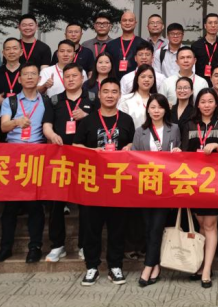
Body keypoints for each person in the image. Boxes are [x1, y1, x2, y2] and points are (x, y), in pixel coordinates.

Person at [73, 78, 135, 286]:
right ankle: (91, 266)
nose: (110, 95)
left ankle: (115, 266)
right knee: (91, 227)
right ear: (99, 95)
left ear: (119, 95)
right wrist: (92, 151)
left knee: (117, 227)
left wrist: (130, 146)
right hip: (93, 183)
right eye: (106, 91)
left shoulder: (126, 120)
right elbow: (76, 147)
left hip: (118, 183)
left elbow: (133, 144)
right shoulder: (89, 120)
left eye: (114, 91)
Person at [0, 63, 49, 264]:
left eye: (33, 74)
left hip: (36, 155)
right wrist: (17, 122)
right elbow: (3, 126)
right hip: (14, 155)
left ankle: (35, 247)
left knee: (35, 205)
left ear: (39, 78)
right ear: (19, 79)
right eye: (25, 74)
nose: (29, 77)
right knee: (10, 206)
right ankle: (5, 247)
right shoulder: (11, 101)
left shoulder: (46, 101)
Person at [43, 62, 97, 263]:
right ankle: (57, 245)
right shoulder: (54, 100)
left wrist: (87, 116)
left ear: (82, 78)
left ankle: (84, 245)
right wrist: (52, 135)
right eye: (67, 77)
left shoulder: (92, 99)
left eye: (75, 76)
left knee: (85, 204)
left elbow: (101, 123)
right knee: (56, 202)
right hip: (60, 157)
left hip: (85, 159)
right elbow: (46, 125)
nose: (71, 79)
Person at [181, 89, 218, 287]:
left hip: (215, 183)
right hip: (194, 182)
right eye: (203, 101)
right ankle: (201, 263)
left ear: (216, 104)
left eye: (210, 101)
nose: (207, 105)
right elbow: (184, 151)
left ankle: (207, 270)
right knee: (201, 224)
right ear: (197, 104)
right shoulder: (189, 125)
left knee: (210, 225)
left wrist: (217, 147)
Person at [132, 94, 181, 287]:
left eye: (160, 107)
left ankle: (148, 266)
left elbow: (180, 153)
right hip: (146, 185)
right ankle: (156, 265)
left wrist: (178, 152)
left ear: (165, 110)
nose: (156, 111)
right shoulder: (140, 131)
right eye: (152, 107)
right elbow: (134, 158)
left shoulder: (174, 128)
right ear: (148, 109)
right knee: (148, 227)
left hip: (166, 186)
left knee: (157, 226)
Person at [104, 10, 147, 81]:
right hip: (114, 83)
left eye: (130, 20)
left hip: (136, 82)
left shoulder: (143, 44)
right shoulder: (111, 45)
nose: (127, 23)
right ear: (120, 23)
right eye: (124, 20)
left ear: (135, 23)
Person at [192, 12, 218, 82]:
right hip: (201, 82)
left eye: (216, 23)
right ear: (205, 26)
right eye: (210, 23)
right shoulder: (196, 46)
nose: (213, 25)